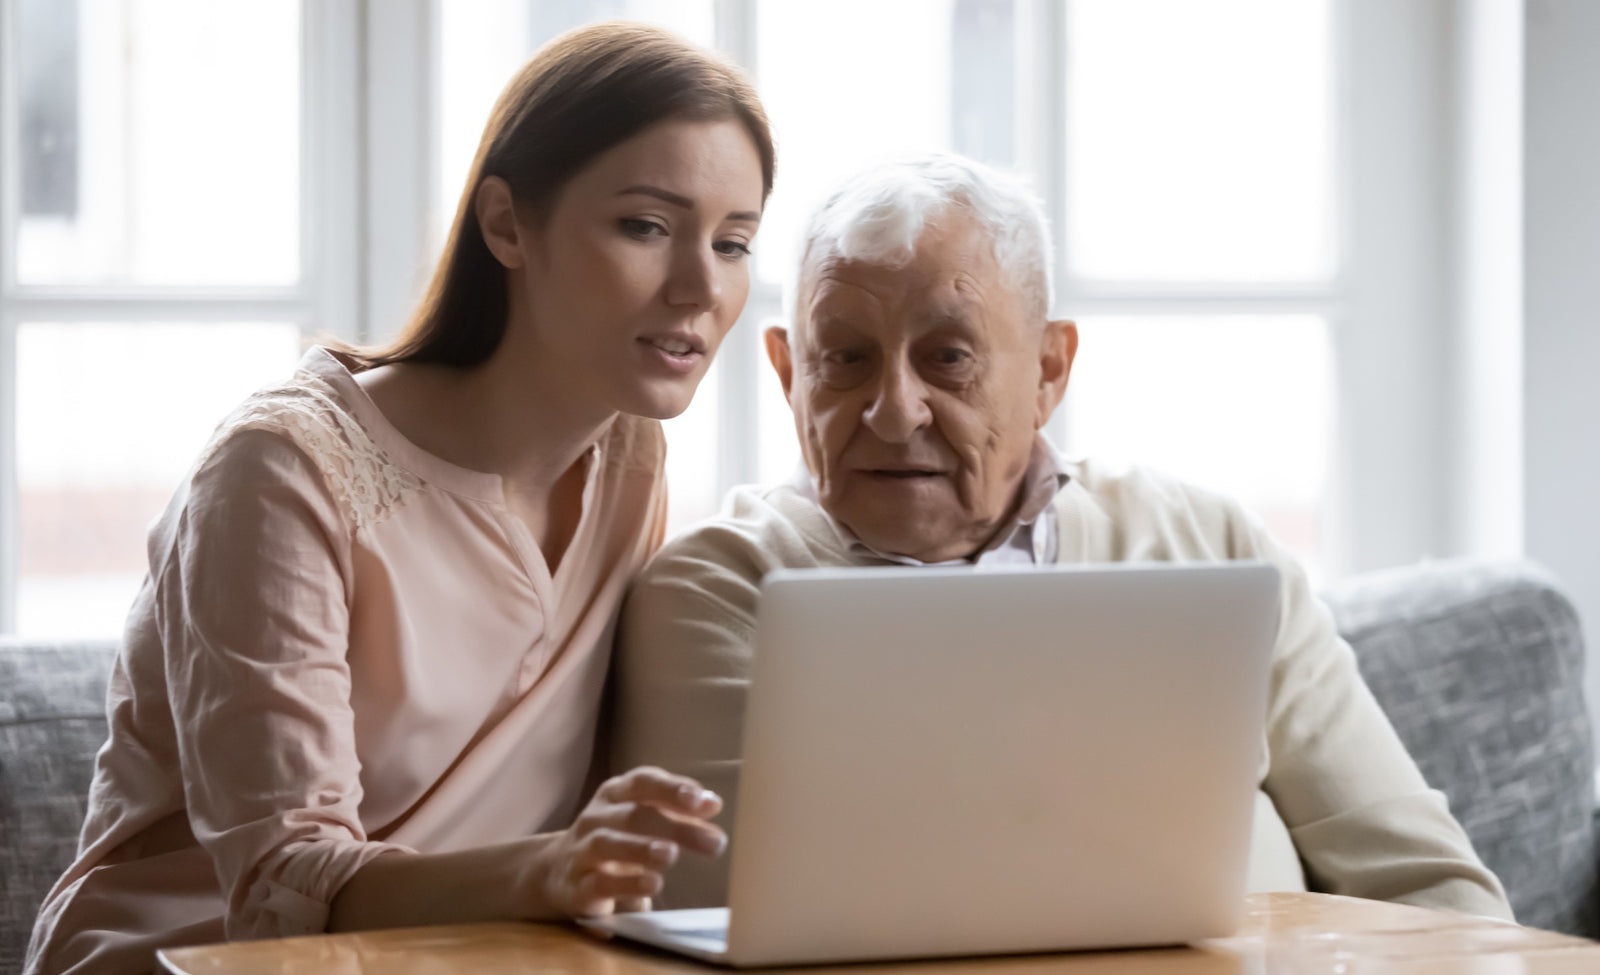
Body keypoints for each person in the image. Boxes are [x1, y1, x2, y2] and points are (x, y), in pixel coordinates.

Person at [26, 22, 773, 975]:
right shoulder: (280, 473)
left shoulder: (632, 455)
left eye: (735, 241)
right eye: (646, 226)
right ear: (507, 224)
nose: (701, 287)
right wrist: (549, 869)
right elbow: (281, 884)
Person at [610, 153, 1514, 919]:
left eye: (949, 357)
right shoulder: (718, 588)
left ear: (1049, 370)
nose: (892, 411)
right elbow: (731, 913)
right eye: (844, 359)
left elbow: (1430, 884)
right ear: (786, 371)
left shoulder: (1207, 541)